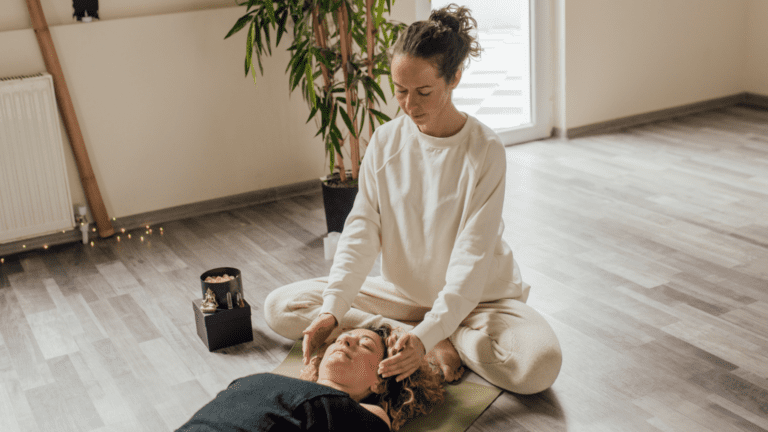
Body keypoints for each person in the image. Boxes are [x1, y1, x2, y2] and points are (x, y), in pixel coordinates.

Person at [265, 3, 562, 395]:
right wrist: (332, 310)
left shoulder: (485, 150)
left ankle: (435, 336)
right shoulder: (386, 140)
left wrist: (432, 330)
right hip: (402, 297)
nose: (410, 105)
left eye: (424, 91)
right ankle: (408, 335)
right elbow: (361, 230)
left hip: (480, 301)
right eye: (401, 91)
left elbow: (472, 258)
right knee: (282, 306)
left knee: (538, 366)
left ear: (454, 77)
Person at [176, 324, 443, 432]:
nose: (346, 338)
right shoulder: (263, 380)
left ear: (380, 381)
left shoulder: (369, 413)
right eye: (340, 338)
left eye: (365, 345)